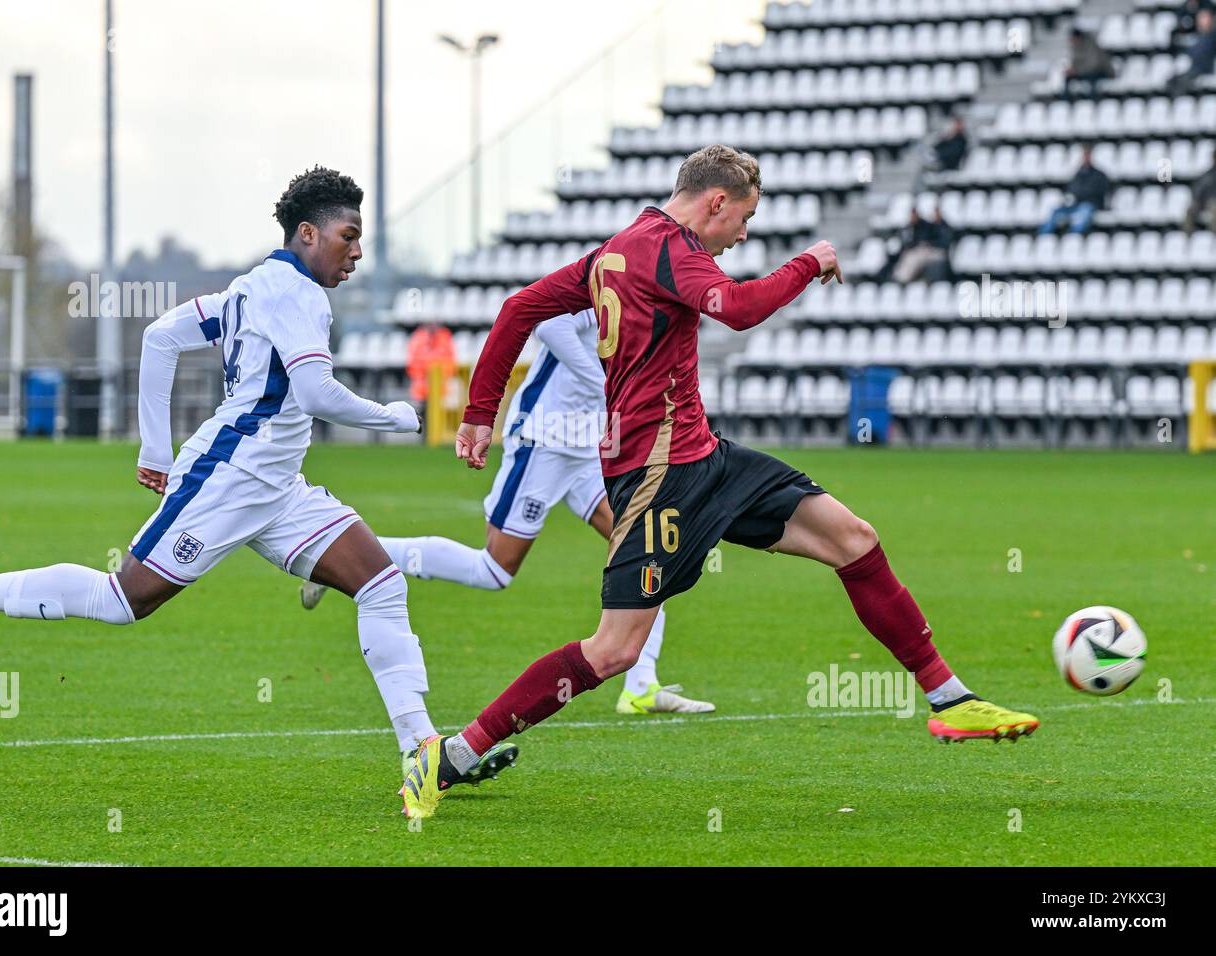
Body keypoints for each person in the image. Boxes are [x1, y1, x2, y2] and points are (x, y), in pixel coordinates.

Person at [399, 145, 1040, 820]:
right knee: (614, 649)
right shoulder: (667, 249)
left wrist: (478, 413)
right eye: (745, 219)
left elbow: (518, 307)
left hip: (705, 458)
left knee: (853, 539)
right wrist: (809, 262)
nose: (742, 235)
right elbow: (736, 308)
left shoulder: (613, 253)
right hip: (654, 476)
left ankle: (950, 699)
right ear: (716, 202)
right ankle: (450, 757)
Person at [0, 166, 517, 787]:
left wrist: (155, 447)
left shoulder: (252, 287)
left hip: (279, 488)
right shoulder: (296, 294)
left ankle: (422, 751)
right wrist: (397, 417)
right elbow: (313, 392)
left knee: (382, 583)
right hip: (229, 478)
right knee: (123, 600)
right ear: (308, 233)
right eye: (349, 236)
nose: (357, 252)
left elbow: (159, 337)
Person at [302, 308, 715, 715]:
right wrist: (604, 381)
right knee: (495, 570)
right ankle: (351, 555)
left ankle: (641, 687)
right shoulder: (608, 279)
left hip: (589, 448)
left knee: (647, 549)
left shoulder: (652, 301)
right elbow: (550, 325)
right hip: (544, 440)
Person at [1038, 146, 1111, 235]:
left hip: (1091, 204)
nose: (1085, 158)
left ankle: (1073, 236)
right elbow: (1072, 190)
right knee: (1056, 211)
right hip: (1077, 204)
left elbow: (1099, 192)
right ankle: (1043, 234)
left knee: (1084, 212)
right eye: (1084, 156)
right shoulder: (1077, 174)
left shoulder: (1099, 175)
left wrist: (1082, 193)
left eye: (1087, 155)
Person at [884, 207, 954, 284]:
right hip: (925, 250)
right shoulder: (922, 226)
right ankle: (899, 278)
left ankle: (902, 279)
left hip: (937, 252)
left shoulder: (943, 227)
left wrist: (928, 244)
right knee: (910, 254)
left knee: (916, 255)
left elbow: (943, 243)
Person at [1167, 9, 1216, 93]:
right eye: (1201, 18)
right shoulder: (1195, 36)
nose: (1203, 20)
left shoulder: (1212, 38)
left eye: (1205, 18)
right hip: (1192, 70)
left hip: (1204, 71)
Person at [1063, 27, 1116, 100]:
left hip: (1103, 71)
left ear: (1078, 37)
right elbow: (1075, 62)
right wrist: (1071, 70)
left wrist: (1077, 71)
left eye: (1074, 38)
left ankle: (1094, 102)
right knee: (1068, 78)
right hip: (1085, 72)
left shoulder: (1091, 45)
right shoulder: (1075, 47)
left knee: (1091, 79)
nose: (1072, 41)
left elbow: (1093, 64)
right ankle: (1066, 102)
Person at [1184, 147, 1216, 233]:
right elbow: (1197, 189)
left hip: (1213, 204)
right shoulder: (1207, 175)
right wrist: (1197, 200)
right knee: (1190, 210)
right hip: (1205, 202)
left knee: (1214, 208)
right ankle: (1188, 236)